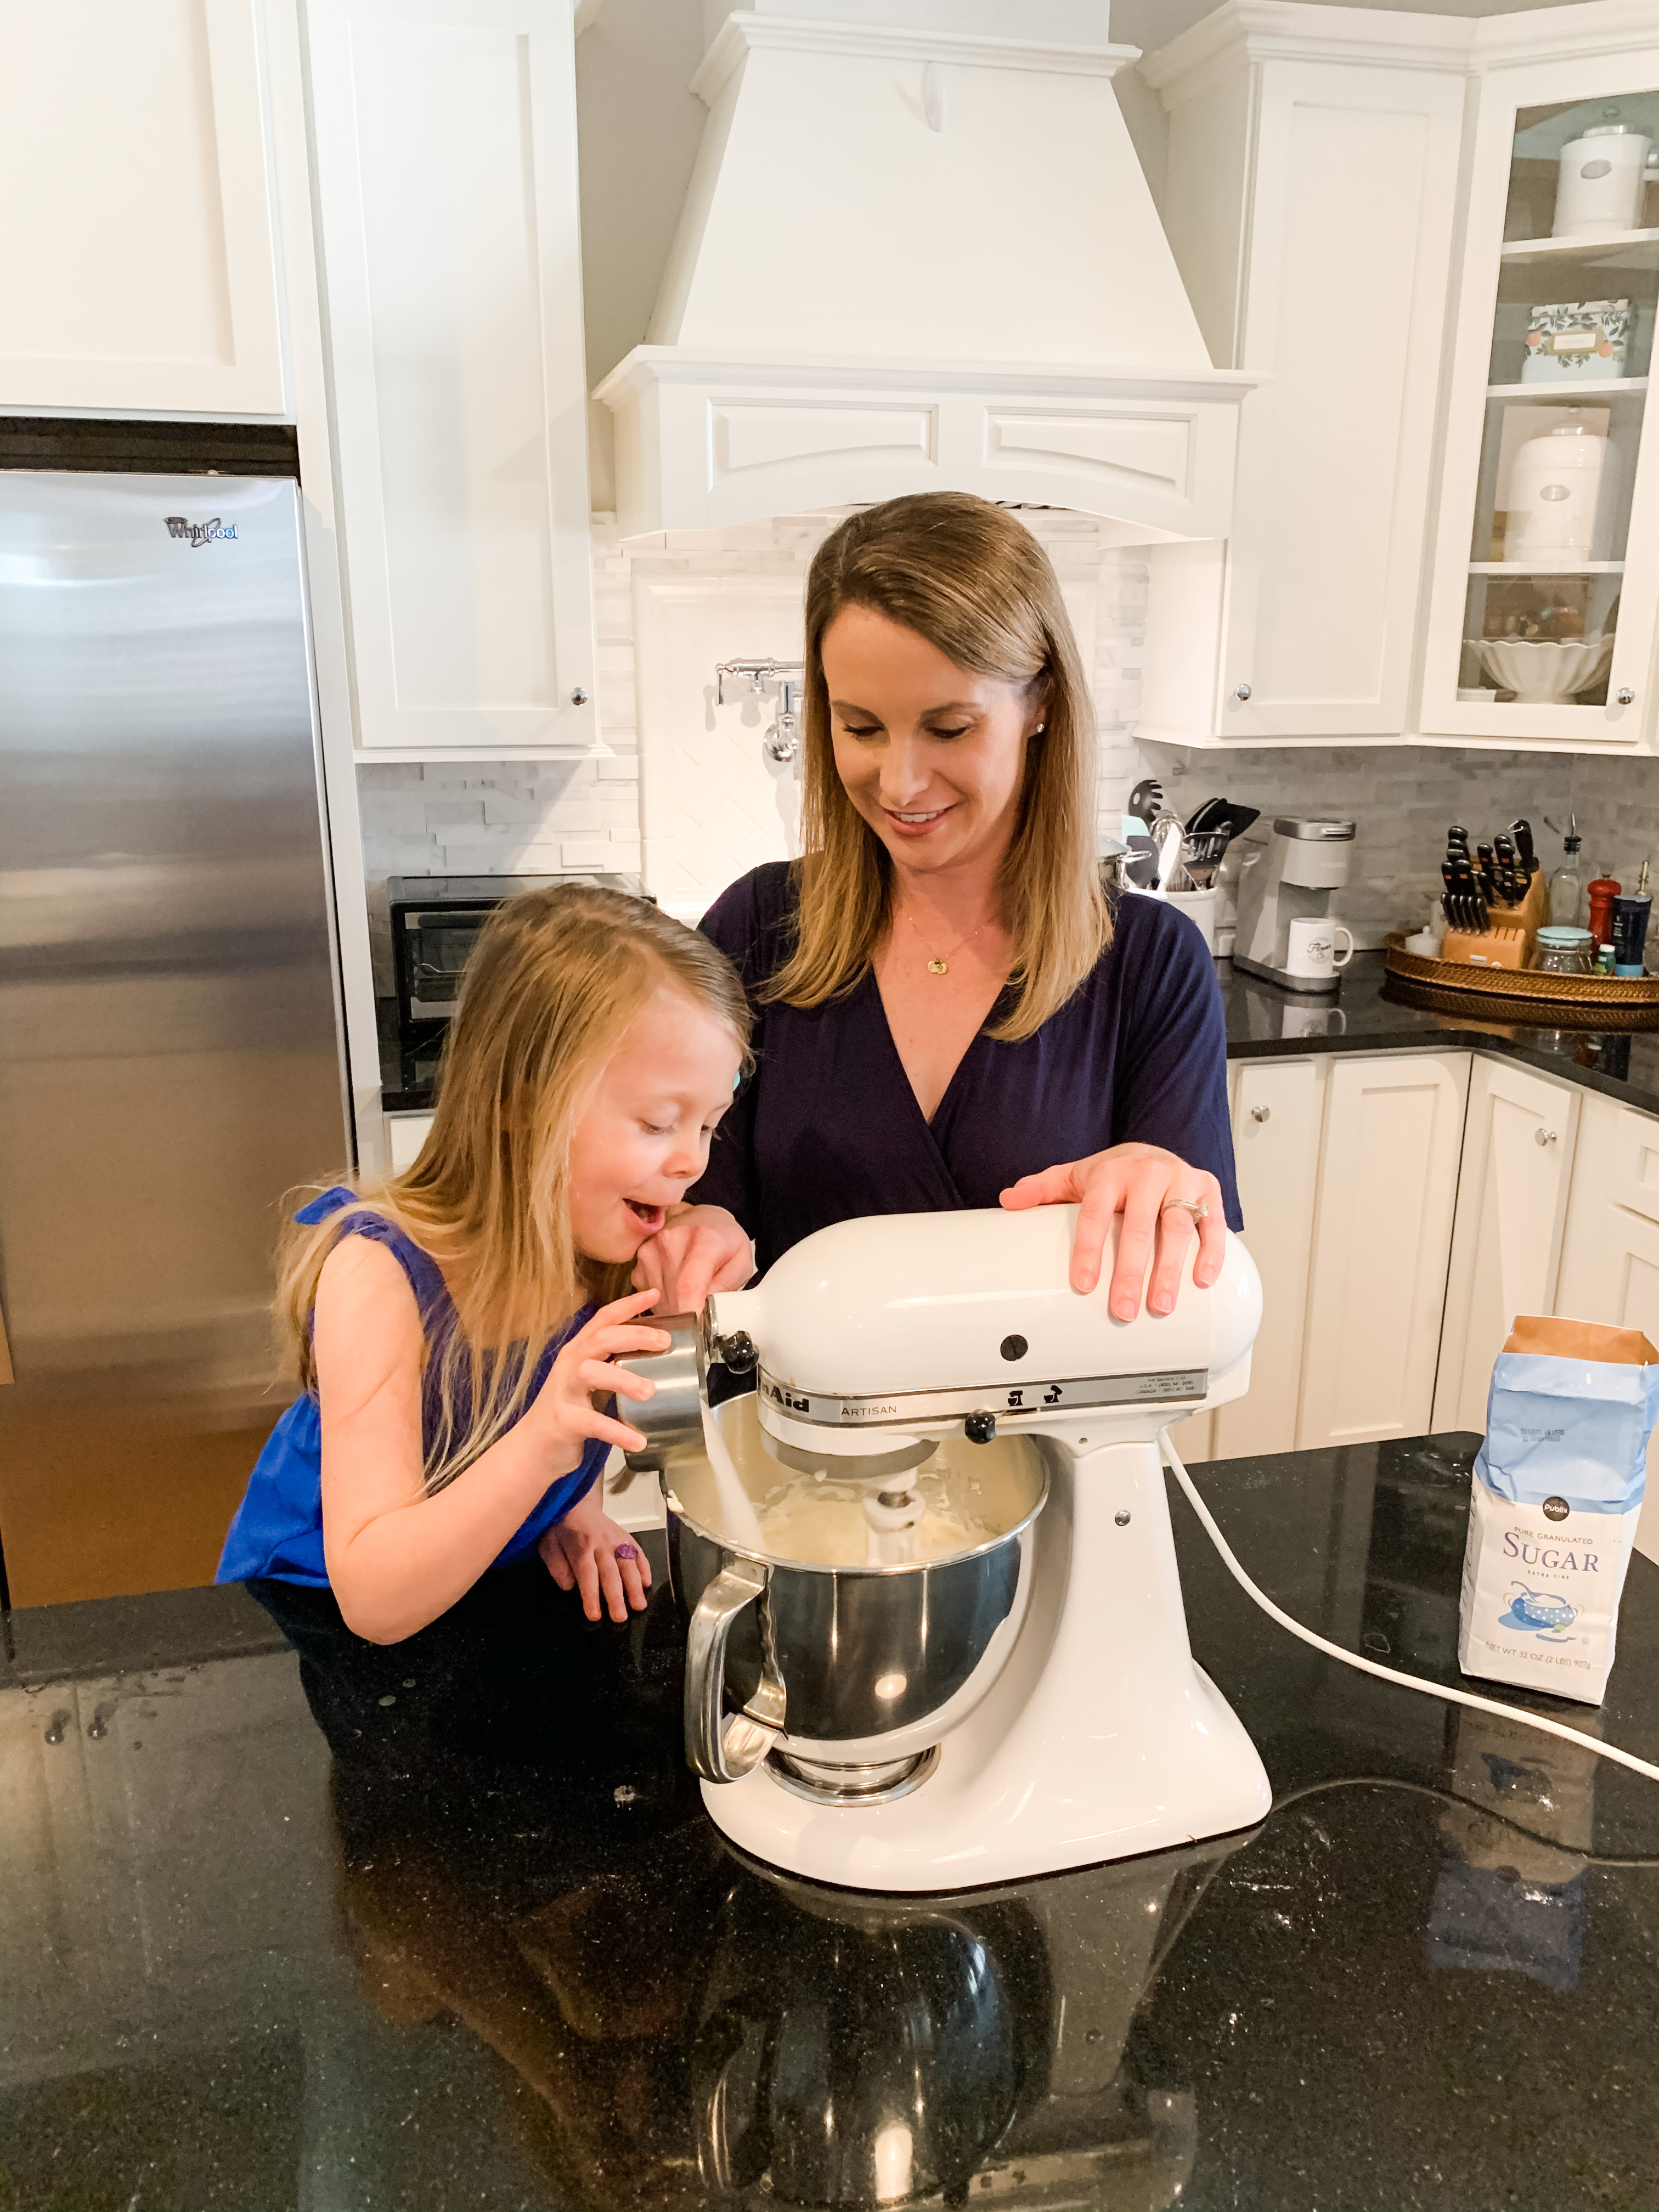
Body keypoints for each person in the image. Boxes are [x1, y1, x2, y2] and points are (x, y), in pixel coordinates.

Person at [635, 491, 1241, 1320]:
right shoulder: (757, 932)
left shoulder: (1148, 963)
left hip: (1051, 1443)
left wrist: (1168, 1195)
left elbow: (1197, 1288)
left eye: (949, 728)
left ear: (1042, 706)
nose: (901, 784)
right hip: (805, 1444)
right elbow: (686, 1197)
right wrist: (686, 1230)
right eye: (861, 728)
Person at [217, 885, 748, 1669]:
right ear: (518, 1106)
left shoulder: (603, 1248)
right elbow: (375, 1598)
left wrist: (572, 1509)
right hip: (322, 1616)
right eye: (657, 1123)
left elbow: (580, 1419)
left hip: (483, 1587)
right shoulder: (381, 1275)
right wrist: (545, 1444)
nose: (692, 1161)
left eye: (709, 1124)